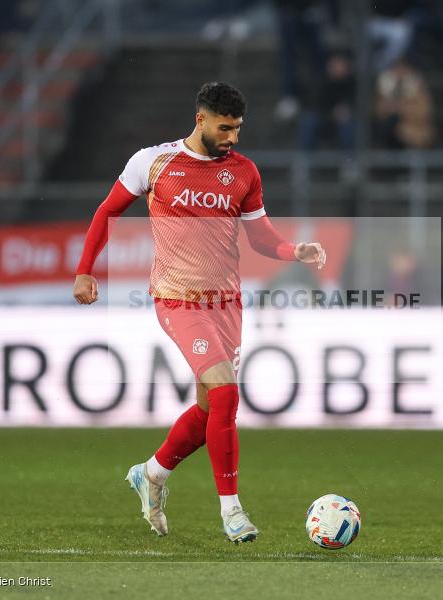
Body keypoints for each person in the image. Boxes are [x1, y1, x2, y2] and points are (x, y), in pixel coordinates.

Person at [72, 83, 326, 544]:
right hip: (177, 299)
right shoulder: (152, 161)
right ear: (201, 120)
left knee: (212, 410)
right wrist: (85, 270)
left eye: (238, 129)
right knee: (226, 390)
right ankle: (231, 511)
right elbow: (106, 211)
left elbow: (261, 238)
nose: (232, 137)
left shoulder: (244, 172)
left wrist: (295, 250)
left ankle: (150, 473)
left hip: (226, 304)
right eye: (225, 128)